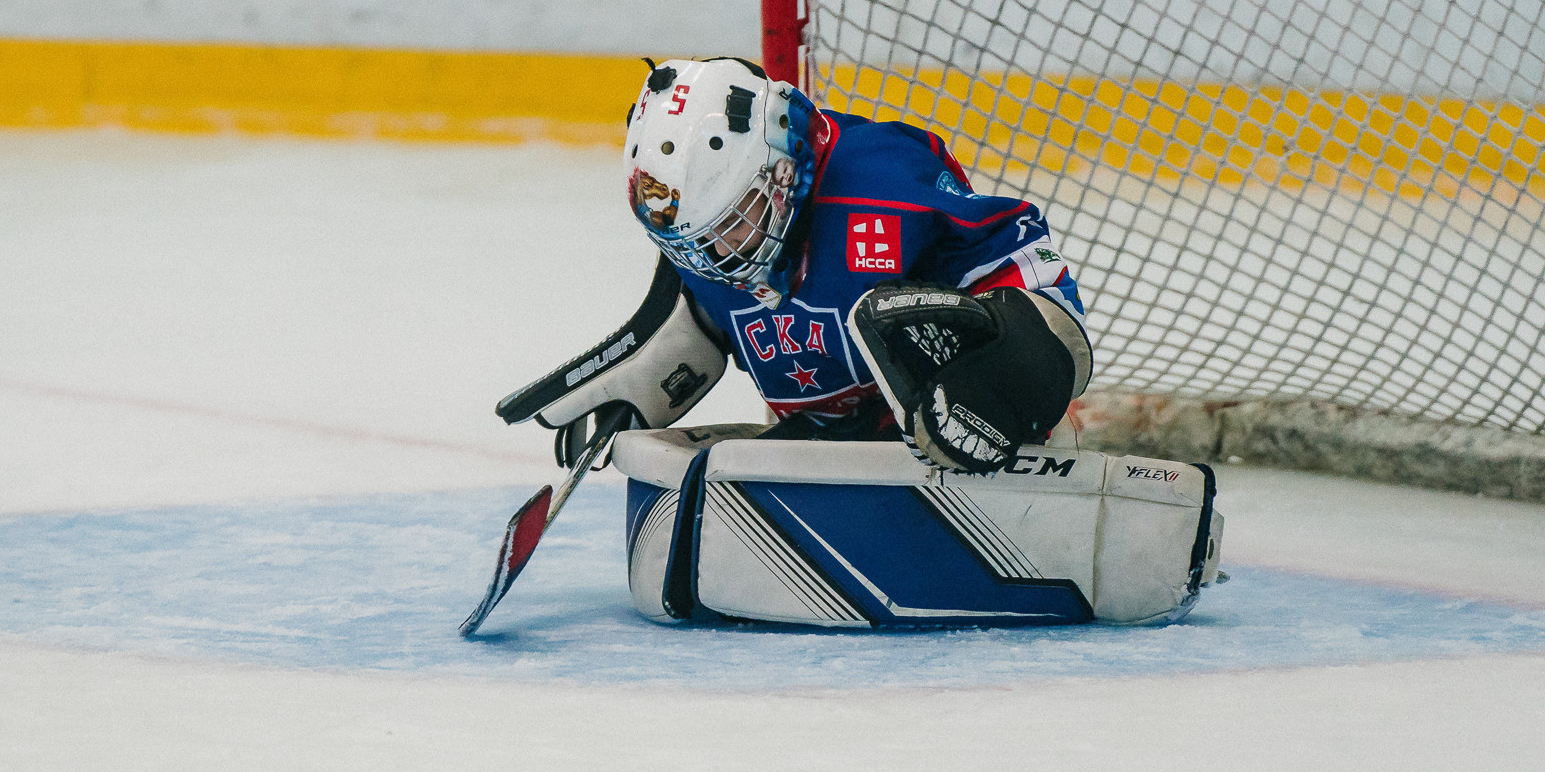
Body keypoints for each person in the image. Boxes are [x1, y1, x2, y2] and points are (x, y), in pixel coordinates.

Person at [498, 58, 1217, 629]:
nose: (721, 256)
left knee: (889, 316)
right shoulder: (712, 240)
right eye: (695, 242)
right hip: (825, 451)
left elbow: (1022, 258)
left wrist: (1015, 363)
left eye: (735, 222)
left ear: (780, 170)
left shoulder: (884, 179)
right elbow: (698, 317)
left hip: (964, 438)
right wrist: (643, 389)